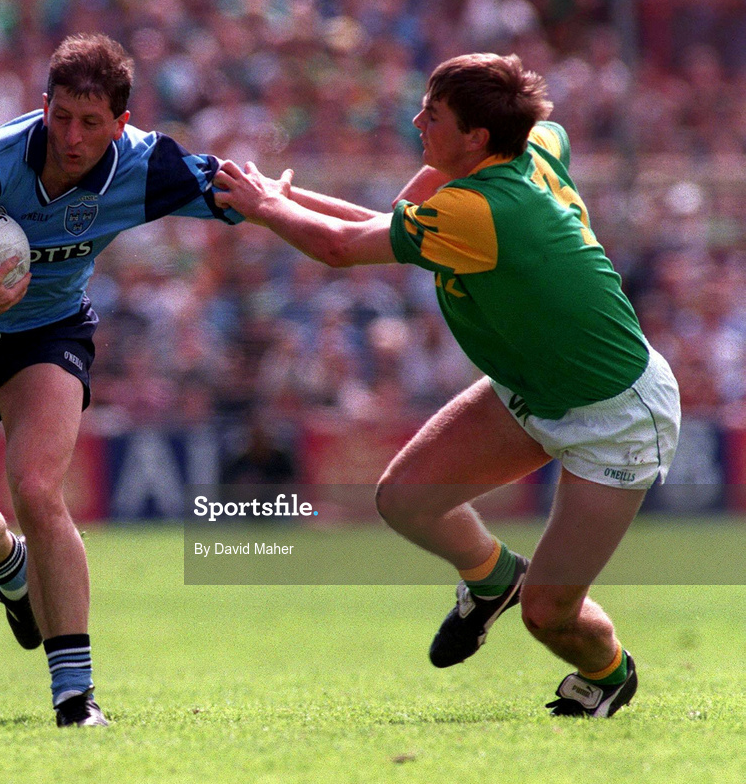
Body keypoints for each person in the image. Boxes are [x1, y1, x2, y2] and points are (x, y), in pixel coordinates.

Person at [213, 53, 681, 717]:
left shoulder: (479, 210)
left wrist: (266, 207)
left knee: (549, 616)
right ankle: (492, 581)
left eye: (432, 116)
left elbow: (343, 247)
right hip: (532, 385)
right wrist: (279, 202)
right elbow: (387, 219)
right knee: (406, 500)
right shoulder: (534, 143)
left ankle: (608, 672)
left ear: (477, 139)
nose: (415, 122)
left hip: (616, 414)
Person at [0, 33, 241, 727]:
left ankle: (75, 696)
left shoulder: (146, 164)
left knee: (36, 487)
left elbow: (249, 199)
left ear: (120, 123)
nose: (72, 135)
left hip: (50, 331)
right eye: (60, 116)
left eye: (91, 122)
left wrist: (365, 233)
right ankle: (10, 567)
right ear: (44, 106)